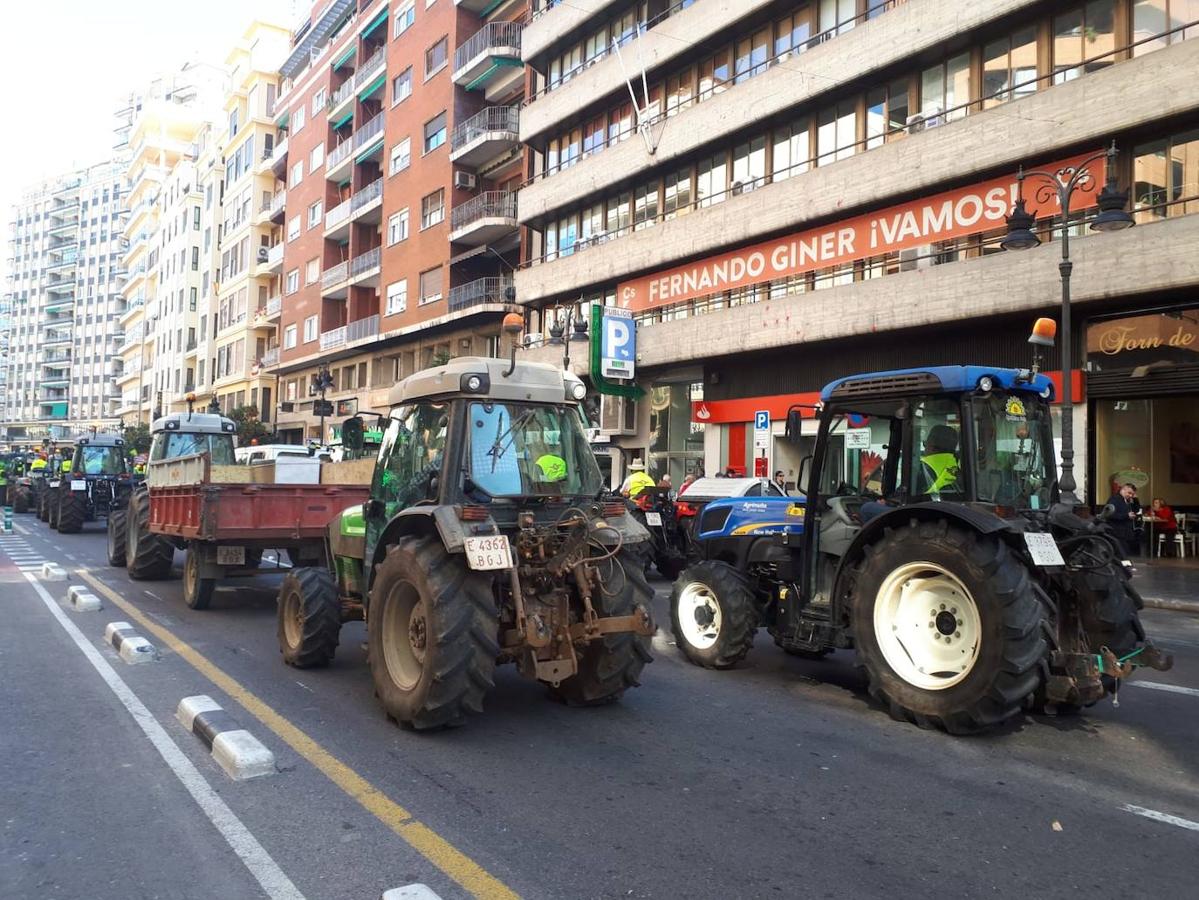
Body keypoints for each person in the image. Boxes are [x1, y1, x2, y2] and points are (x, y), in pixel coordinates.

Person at [860, 423, 961, 523]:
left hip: (921, 515)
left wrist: (886, 502)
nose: (925, 448)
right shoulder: (957, 464)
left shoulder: (925, 467)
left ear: (933, 447)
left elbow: (903, 495)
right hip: (945, 512)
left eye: (925, 444)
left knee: (867, 508)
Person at [1105, 483, 1137, 557]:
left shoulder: (1126, 500)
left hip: (1122, 532)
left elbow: (1136, 508)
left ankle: (1123, 567)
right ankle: (1125, 567)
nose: (1130, 496)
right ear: (1123, 489)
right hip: (1116, 531)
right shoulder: (1114, 499)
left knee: (1122, 553)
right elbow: (1109, 514)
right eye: (1129, 493)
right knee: (1121, 553)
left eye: (1132, 494)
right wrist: (1126, 515)